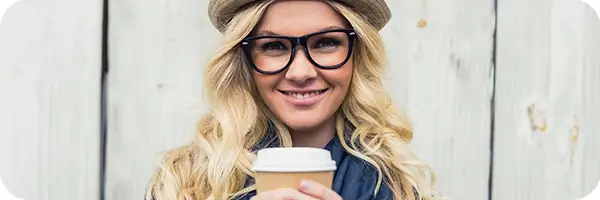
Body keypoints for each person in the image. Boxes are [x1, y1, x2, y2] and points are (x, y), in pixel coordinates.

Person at [145, 0, 440, 199]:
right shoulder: (184, 182)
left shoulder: (396, 186)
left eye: (326, 43)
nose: (300, 72)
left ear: (357, 54)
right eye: (274, 46)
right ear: (245, 60)